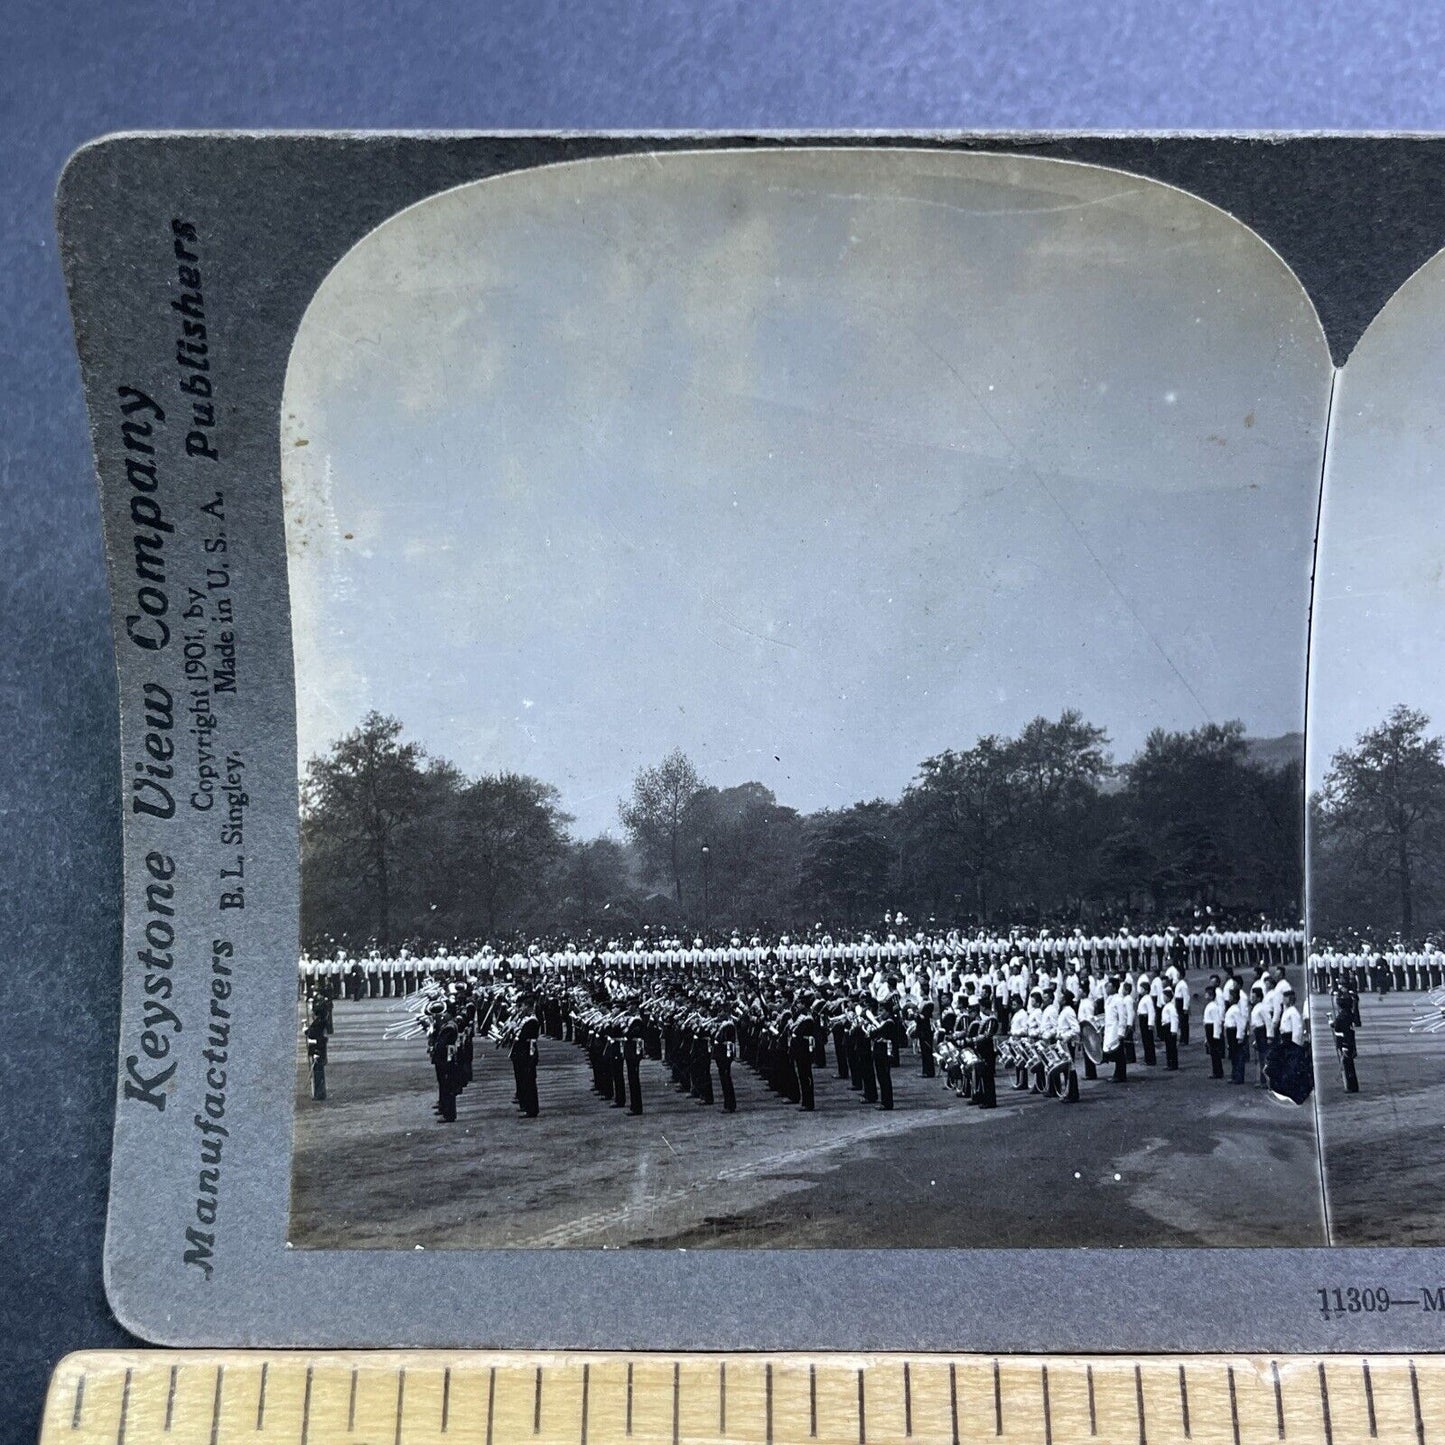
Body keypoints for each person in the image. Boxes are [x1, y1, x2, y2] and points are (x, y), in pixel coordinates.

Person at [510, 1014, 541, 1118]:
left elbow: (522, 1036)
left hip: (528, 1054)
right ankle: (529, 1107)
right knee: (526, 1081)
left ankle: (531, 1109)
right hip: (526, 1052)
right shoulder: (528, 1021)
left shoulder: (531, 1021)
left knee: (529, 1081)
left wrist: (515, 1029)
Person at [304, 998, 328, 1101]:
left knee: (318, 1073)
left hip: (318, 1050)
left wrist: (307, 1032)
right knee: (317, 1072)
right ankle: (319, 1092)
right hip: (318, 1049)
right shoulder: (319, 1021)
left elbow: (316, 1036)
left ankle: (319, 1093)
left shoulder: (319, 1023)